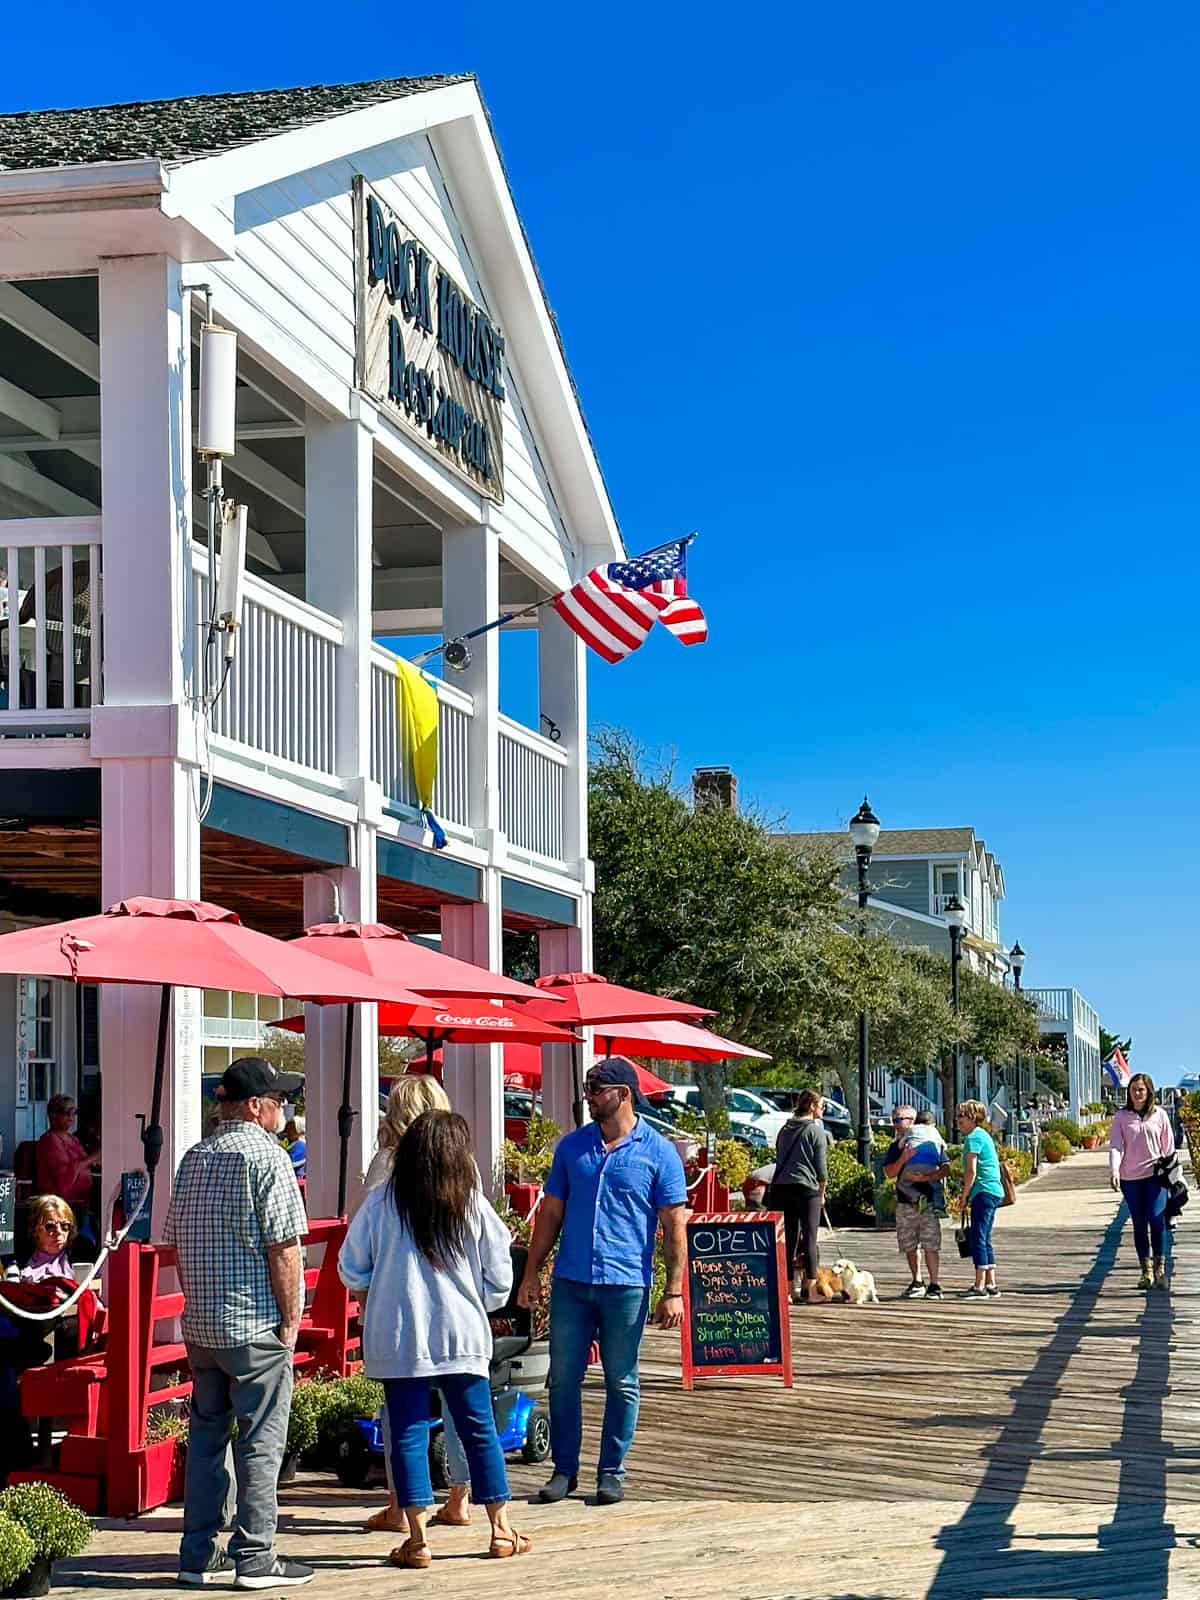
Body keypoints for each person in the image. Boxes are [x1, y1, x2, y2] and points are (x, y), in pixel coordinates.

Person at [338, 1110, 529, 1568]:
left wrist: (375, 1292)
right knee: (479, 1430)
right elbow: (500, 1275)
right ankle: (501, 1530)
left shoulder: (384, 1201)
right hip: (460, 1331)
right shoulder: (471, 1202)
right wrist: (476, 1300)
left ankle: (418, 1538)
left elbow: (350, 1265)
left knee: (405, 1433)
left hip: (398, 1333)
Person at [162, 1057, 312, 1591]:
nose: (283, 1109)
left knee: (206, 1440)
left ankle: (197, 1554)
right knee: (261, 1442)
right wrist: (291, 1324)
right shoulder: (267, 1158)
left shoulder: (194, 1157)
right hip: (253, 1324)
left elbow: (176, 1241)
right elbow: (285, 1251)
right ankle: (256, 1556)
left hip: (202, 1325)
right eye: (278, 1100)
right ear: (255, 1106)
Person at [517, 1058, 688, 1505]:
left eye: (597, 1089)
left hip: (626, 1283)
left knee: (622, 1380)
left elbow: (674, 1227)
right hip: (572, 1281)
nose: (589, 1096)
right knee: (562, 1379)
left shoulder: (660, 1152)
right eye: (588, 1087)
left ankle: (611, 1471)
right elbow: (550, 1212)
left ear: (623, 1094)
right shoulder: (573, 1148)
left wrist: (674, 1291)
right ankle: (565, 1470)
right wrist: (532, 1271)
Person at [359, 1076, 473, 1535]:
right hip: (456, 1306)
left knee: (401, 1413)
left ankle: (400, 1505)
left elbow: (362, 1241)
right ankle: (461, 1497)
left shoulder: (387, 1164)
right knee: (460, 1405)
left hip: (400, 1303)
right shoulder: (460, 1164)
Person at [1110, 1072, 1176, 1290]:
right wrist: (1114, 1171)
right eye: (1133, 1089)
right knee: (1139, 1223)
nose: (1137, 1093)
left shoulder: (1160, 1115)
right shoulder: (1122, 1117)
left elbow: (1169, 1148)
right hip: (1131, 1178)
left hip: (1155, 1177)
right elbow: (1117, 1146)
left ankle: (1159, 1269)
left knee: (1157, 1221)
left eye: (1141, 1089)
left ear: (1149, 1092)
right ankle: (1145, 1271)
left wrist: (1173, 1174)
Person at [883, 1105, 950, 1300]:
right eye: (893, 1120)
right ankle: (917, 1281)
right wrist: (903, 1157)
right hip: (905, 1202)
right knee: (909, 1245)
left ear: (912, 1120)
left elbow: (946, 1168)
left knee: (931, 1244)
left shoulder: (931, 1139)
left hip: (928, 1201)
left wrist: (927, 1177)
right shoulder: (896, 1146)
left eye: (898, 1120)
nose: (895, 1124)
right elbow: (889, 1173)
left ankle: (935, 1284)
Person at [769, 1089, 829, 1304]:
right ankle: (811, 1291)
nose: (823, 1109)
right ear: (812, 1106)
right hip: (806, 1189)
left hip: (782, 1188)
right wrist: (821, 1195)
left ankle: (788, 1291)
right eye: (822, 1105)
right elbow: (821, 1170)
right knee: (810, 1239)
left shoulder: (785, 1129)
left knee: (789, 1240)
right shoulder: (815, 1131)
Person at [956, 1100, 1006, 1299]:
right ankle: (991, 1282)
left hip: (983, 1191)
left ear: (973, 1118)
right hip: (993, 1190)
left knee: (978, 1237)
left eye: (962, 1116)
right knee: (985, 1236)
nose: (958, 1120)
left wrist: (964, 1195)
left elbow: (971, 1171)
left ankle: (980, 1285)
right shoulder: (983, 1135)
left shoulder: (973, 1138)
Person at [34, 1095, 98, 1215]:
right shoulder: (50, 1140)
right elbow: (64, 1180)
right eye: (67, 1112)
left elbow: (88, 1164)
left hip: (82, 1201)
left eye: (74, 1112)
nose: (71, 1117)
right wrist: (93, 1158)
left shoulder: (73, 1139)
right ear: (53, 1115)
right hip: (61, 1206)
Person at [903, 1110, 949, 1215]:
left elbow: (902, 1143)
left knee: (904, 1184)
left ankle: (918, 1197)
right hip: (932, 1165)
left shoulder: (911, 1129)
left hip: (913, 1163)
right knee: (937, 1185)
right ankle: (939, 1207)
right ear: (933, 1124)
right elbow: (943, 1147)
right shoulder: (934, 1131)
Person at [283, 1116, 306, 1183]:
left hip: (296, 1180)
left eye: (292, 1129)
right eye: (288, 1128)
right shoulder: (294, 1144)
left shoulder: (300, 1145)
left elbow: (288, 1163)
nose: (288, 1131)